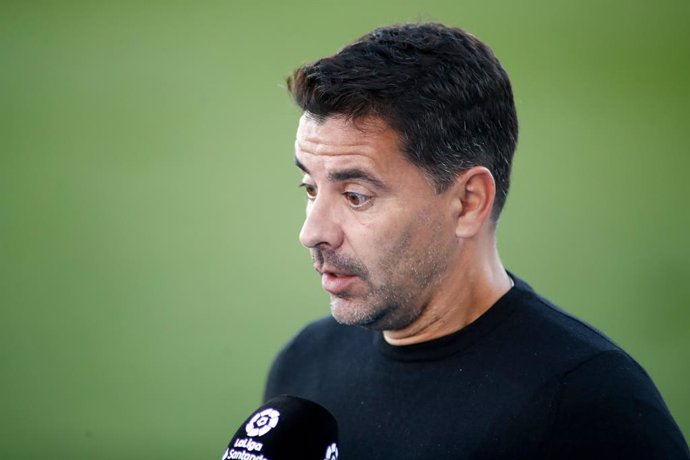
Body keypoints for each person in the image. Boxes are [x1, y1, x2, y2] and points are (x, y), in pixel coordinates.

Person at [263, 23, 689, 459]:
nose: (312, 232)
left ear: (468, 202)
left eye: (356, 196)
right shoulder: (304, 368)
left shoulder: (587, 404)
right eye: (310, 188)